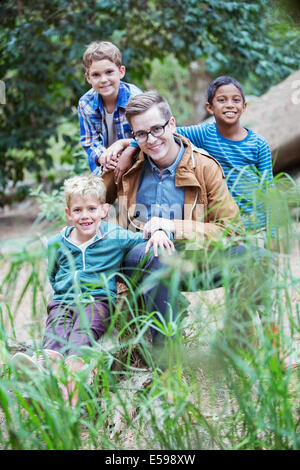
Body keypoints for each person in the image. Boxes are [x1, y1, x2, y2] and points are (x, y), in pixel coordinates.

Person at [101, 91, 268, 360]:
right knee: (157, 253)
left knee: (255, 257)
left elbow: (231, 229)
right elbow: (87, 202)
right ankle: (167, 361)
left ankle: (235, 347)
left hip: (193, 258)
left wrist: (172, 226)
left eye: (157, 129)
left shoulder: (204, 167)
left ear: (172, 124)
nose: (152, 140)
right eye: (141, 134)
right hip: (143, 258)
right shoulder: (127, 165)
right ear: (134, 135)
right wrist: (109, 157)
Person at [12, 174, 174, 407]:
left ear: (103, 210)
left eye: (91, 208)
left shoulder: (114, 236)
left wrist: (161, 232)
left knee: (78, 345)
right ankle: (41, 376)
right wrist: (60, 293)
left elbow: (142, 240)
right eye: (77, 210)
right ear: (68, 214)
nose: (85, 216)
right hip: (63, 302)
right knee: (54, 342)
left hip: (96, 301)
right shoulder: (58, 242)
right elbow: (53, 272)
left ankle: (69, 404)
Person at [107, 77, 274, 236]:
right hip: (150, 243)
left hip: (251, 223)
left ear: (244, 106)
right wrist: (129, 147)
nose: (229, 105)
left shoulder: (257, 144)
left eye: (236, 100)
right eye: (222, 100)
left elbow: (269, 190)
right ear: (209, 107)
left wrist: (272, 233)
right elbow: (159, 135)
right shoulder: (204, 132)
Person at [78, 41, 141, 175]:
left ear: (121, 71)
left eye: (109, 72)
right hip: (105, 163)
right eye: (96, 75)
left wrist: (125, 151)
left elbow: (145, 136)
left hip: (136, 159)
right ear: (88, 78)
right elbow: (90, 141)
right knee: (95, 192)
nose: (103, 79)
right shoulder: (85, 104)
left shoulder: (135, 99)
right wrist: (103, 158)